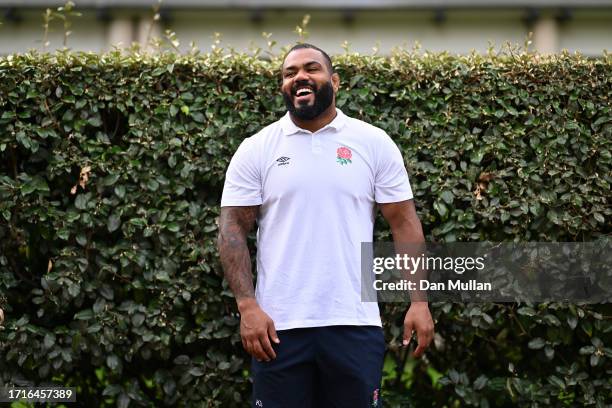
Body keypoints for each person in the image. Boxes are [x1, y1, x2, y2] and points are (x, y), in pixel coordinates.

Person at [218, 43, 434, 408]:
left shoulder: (373, 142)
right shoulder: (257, 149)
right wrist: (247, 306)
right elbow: (232, 230)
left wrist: (419, 301)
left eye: (311, 68)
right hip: (277, 329)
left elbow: (404, 223)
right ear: (283, 88)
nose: (300, 76)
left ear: (334, 81)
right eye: (289, 73)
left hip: (354, 322)